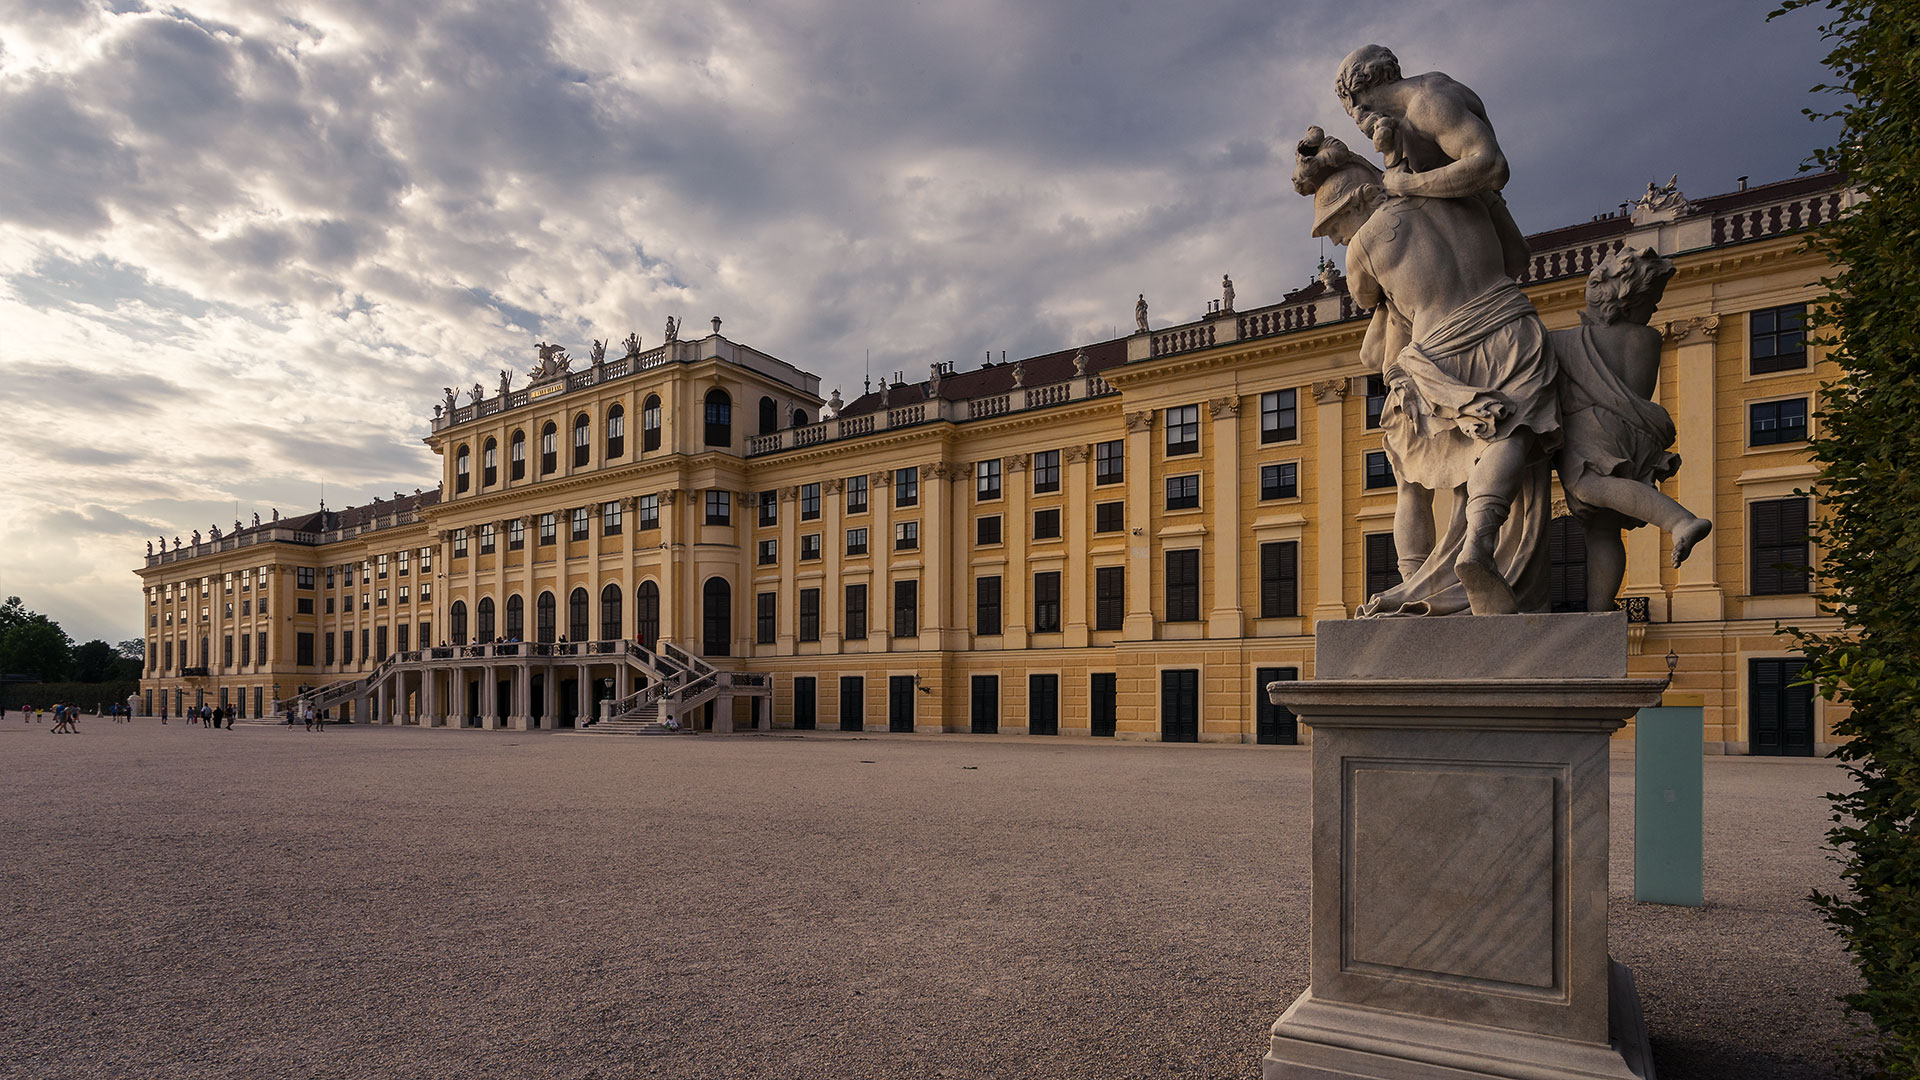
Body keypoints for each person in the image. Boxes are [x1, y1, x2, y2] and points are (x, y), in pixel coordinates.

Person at [1294, 126, 1558, 615]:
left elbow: (1371, 307)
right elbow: (1518, 257)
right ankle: (1479, 542)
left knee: (1410, 482)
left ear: (1361, 200)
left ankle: (1415, 587)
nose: (1334, 238)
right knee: (1512, 435)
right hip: (1508, 324)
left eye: (1335, 223)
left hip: (1438, 355)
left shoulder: (1363, 248)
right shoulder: (1463, 198)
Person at [1549, 247, 1713, 610]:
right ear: (1629, 302)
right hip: (1638, 435)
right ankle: (1600, 610)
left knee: (1588, 486)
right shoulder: (1648, 338)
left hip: (1593, 427)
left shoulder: (1564, 342)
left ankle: (1680, 520)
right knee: (1603, 529)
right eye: (1651, 303)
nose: (1654, 311)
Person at [1333, 44, 1530, 280]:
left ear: (1354, 97)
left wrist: (1406, 185)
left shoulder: (1428, 103)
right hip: (1474, 239)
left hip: (1480, 245)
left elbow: (1492, 166)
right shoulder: (1419, 101)